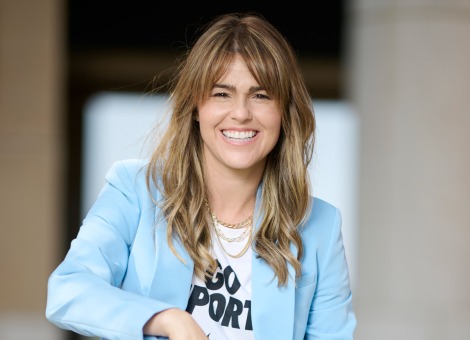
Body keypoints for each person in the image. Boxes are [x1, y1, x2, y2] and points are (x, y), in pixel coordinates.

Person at [45, 12, 356, 340]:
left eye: (261, 95)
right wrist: (167, 319)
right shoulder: (135, 190)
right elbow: (69, 291)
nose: (241, 113)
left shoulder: (320, 225)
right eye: (222, 93)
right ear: (196, 106)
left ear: (284, 112)